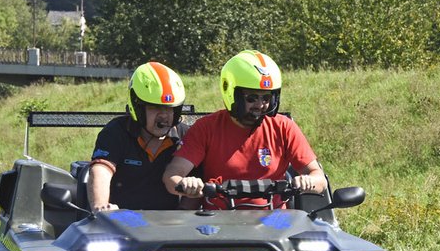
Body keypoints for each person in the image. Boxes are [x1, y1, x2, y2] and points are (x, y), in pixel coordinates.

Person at [163, 50, 326, 209]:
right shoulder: (206, 128)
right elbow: (171, 176)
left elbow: (319, 179)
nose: (260, 105)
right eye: (252, 98)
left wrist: (308, 181)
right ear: (233, 94)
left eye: (266, 98)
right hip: (220, 223)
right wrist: (187, 184)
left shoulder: (283, 127)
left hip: (274, 224)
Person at [87, 61, 190, 211]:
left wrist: (184, 217)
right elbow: (101, 170)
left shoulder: (185, 135)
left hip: (169, 228)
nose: (164, 116)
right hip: (123, 224)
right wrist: (101, 207)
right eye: (155, 108)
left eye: (170, 109)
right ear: (138, 108)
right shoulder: (116, 132)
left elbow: (198, 184)